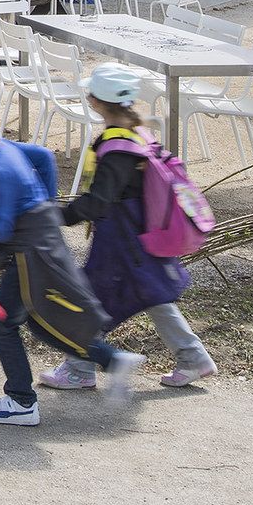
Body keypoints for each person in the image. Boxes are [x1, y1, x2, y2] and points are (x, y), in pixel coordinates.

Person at [0, 83, 143, 426]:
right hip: (38, 241)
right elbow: (43, 157)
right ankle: (112, 360)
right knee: (38, 318)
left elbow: (3, 229)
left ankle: (21, 401)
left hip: (27, 252)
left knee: (2, 323)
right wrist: (44, 207)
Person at [39, 64, 218, 391]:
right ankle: (193, 357)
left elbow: (98, 202)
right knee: (152, 294)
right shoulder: (136, 134)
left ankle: (79, 368)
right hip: (139, 234)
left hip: (121, 240)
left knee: (92, 298)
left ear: (96, 101)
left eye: (90, 94)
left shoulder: (116, 148)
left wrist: (55, 216)